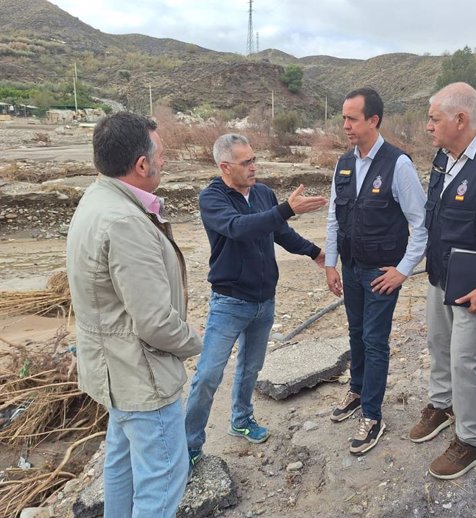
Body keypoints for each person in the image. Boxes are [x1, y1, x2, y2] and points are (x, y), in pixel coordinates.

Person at [66, 112, 202, 518]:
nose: (164, 160)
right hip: (140, 375)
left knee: (121, 464)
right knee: (162, 480)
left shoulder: (97, 199)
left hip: (113, 371)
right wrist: (194, 340)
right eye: (160, 153)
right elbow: (155, 322)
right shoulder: (124, 220)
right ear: (141, 164)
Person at [185, 134, 327, 468]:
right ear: (224, 167)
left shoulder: (263, 193)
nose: (253, 167)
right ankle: (190, 445)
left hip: (265, 300)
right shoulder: (213, 198)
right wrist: (286, 209)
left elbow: (279, 233)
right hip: (230, 302)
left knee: (251, 366)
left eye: (254, 159)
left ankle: (241, 419)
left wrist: (315, 252)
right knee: (208, 374)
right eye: (245, 162)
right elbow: (239, 228)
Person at [409, 83, 476, 479]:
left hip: (475, 286)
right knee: (439, 347)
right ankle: (442, 404)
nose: (427, 127)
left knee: (467, 364)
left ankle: (470, 441)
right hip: (441, 276)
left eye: (433, 119)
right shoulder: (444, 156)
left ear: (461, 119)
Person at [325, 87, 428, 455]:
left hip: (381, 273)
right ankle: (357, 390)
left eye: (352, 118)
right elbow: (334, 217)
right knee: (355, 334)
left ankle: (372, 414)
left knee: (374, 339)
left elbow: (422, 224)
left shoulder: (397, 164)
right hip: (351, 269)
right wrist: (331, 264)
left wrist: (402, 270)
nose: (346, 125)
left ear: (374, 120)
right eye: (343, 118)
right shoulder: (344, 163)